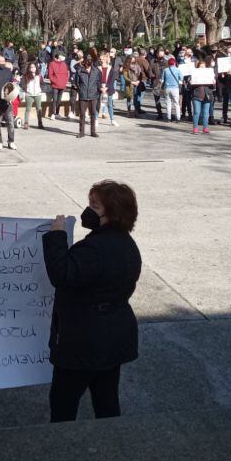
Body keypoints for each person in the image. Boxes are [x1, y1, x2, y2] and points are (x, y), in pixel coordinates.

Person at [42, 180, 141, 422]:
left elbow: (61, 274)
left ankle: (63, 447)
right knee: (106, 400)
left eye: (94, 206)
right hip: (114, 336)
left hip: (84, 341)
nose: (88, 210)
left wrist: (56, 236)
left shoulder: (94, 249)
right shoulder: (126, 243)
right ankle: (111, 445)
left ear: (112, 213)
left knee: (63, 403)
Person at [73, 55, 103, 138]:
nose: (88, 62)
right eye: (87, 61)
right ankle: (81, 132)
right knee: (82, 114)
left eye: (89, 61)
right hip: (83, 96)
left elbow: (99, 82)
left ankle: (93, 131)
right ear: (84, 62)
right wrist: (81, 90)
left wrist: (98, 91)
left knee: (93, 114)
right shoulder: (79, 71)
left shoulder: (97, 71)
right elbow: (77, 83)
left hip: (93, 96)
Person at [190, 59, 213, 134]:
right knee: (197, 112)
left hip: (207, 95)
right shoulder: (194, 74)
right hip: (197, 95)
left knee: (206, 113)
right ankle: (195, 128)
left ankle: (205, 127)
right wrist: (190, 82)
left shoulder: (209, 74)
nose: (202, 68)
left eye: (204, 67)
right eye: (200, 67)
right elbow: (189, 86)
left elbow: (212, 87)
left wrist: (213, 82)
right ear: (198, 67)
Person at [21, 63, 46, 130]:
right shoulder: (26, 75)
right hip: (29, 95)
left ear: (36, 68)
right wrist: (26, 91)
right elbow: (23, 84)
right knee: (28, 109)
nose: (33, 68)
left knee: (39, 109)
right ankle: (26, 123)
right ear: (29, 68)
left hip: (37, 94)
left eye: (34, 67)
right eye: (31, 67)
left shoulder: (39, 75)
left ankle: (40, 123)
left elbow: (42, 83)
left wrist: (41, 90)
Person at [47, 53, 70, 120]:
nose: (61, 59)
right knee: (55, 99)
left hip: (62, 84)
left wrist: (65, 81)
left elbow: (66, 74)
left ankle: (57, 113)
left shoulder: (64, 64)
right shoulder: (52, 64)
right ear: (56, 58)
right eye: (60, 58)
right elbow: (50, 75)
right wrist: (55, 81)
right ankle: (53, 113)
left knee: (59, 100)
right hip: (55, 85)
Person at [161, 58, 183, 123]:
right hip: (175, 88)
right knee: (176, 103)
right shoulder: (178, 70)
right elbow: (181, 78)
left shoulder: (165, 70)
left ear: (168, 63)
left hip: (167, 88)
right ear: (174, 63)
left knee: (168, 103)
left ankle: (168, 118)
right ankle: (178, 118)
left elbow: (162, 79)